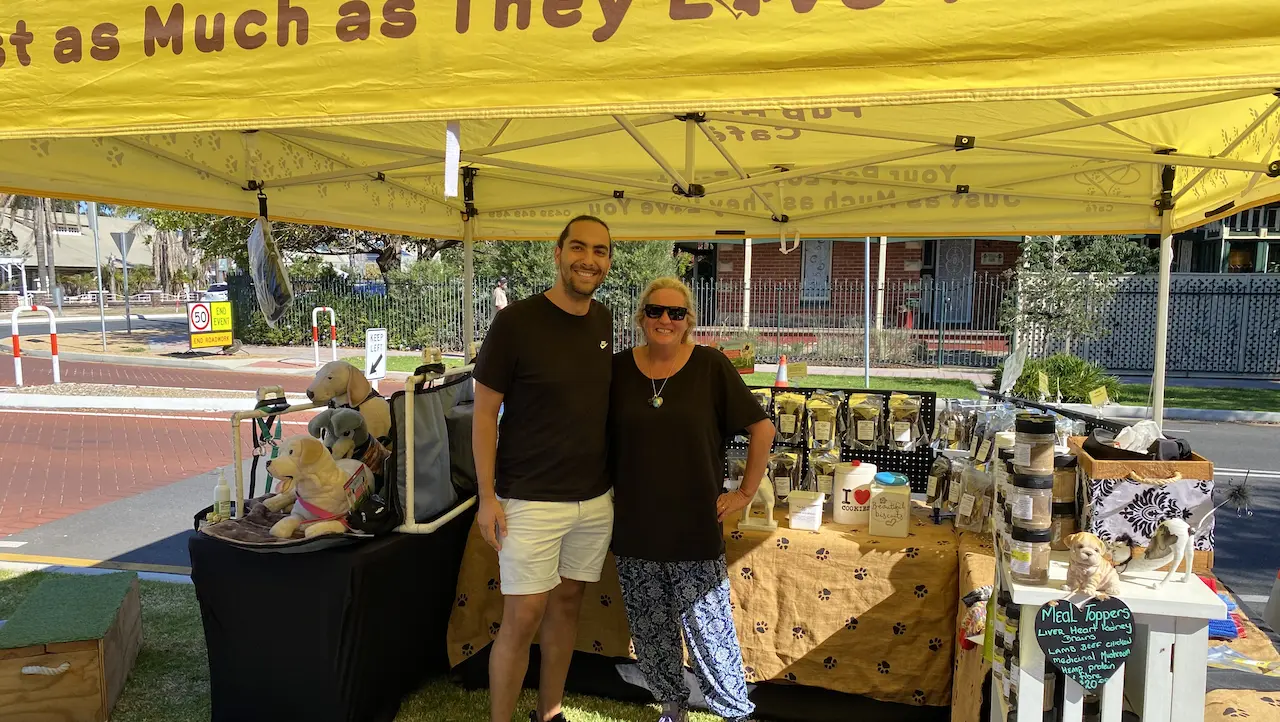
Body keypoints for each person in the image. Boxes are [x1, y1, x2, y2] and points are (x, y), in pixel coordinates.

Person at [608, 277, 773, 722]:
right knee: (650, 629)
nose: (665, 319)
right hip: (636, 526)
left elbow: (763, 429)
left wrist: (744, 493)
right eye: (656, 311)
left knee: (710, 630)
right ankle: (671, 706)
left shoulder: (710, 366)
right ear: (641, 317)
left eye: (676, 312)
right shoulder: (618, 369)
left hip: (693, 526)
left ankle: (735, 712)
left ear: (688, 321)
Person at [472, 216, 615, 722]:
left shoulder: (604, 320)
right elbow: (484, 414)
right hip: (528, 499)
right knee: (523, 616)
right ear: (558, 253)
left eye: (600, 251)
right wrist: (487, 496)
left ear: (608, 261)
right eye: (578, 247)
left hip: (593, 500)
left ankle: (548, 712)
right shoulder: (516, 322)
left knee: (568, 605)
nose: (588, 260)